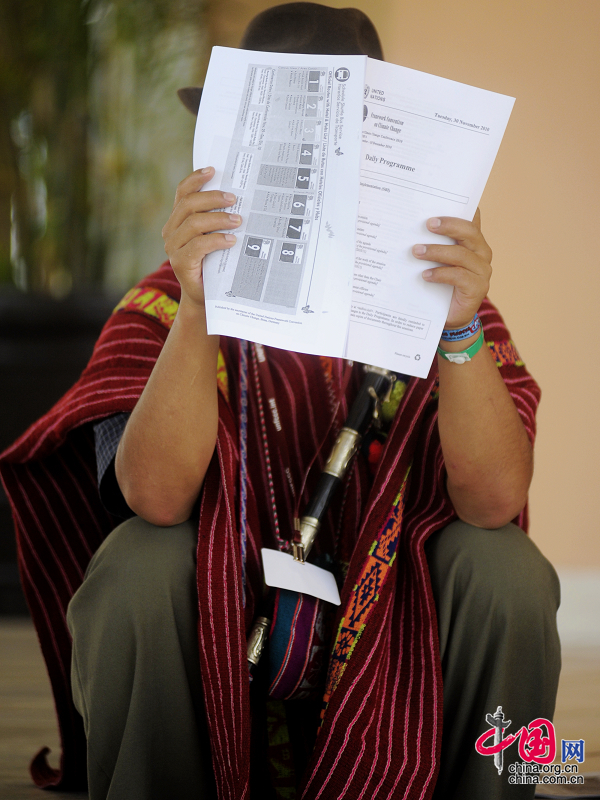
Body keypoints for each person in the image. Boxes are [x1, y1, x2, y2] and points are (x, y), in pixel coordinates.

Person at [0, 5, 560, 800]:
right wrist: (200, 308)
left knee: (510, 574)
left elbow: (496, 499)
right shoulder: (163, 305)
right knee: (132, 567)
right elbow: (154, 500)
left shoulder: (444, 306)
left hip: (397, 645)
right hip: (220, 646)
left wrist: (460, 329)